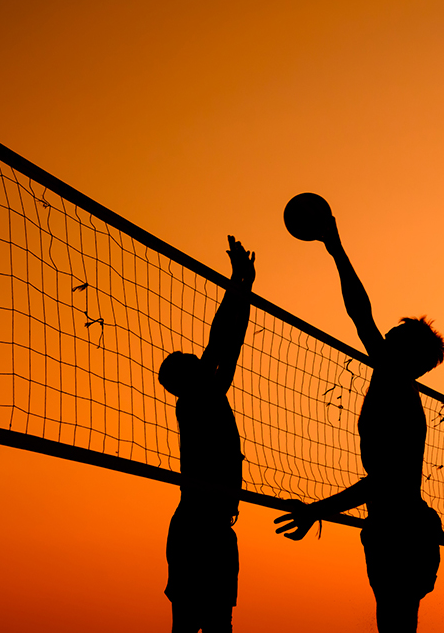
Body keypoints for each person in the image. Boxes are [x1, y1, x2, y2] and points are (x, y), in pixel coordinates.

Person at [274, 215, 444, 632]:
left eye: (392, 337)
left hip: (400, 531)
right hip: (399, 527)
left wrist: (318, 510)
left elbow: (382, 481)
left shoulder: (397, 393)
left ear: (405, 354)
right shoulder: (394, 382)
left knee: (395, 622)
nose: (381, 337)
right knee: (396, 621)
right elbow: (361, 316)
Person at [158, 235, 255, 633]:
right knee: (188, 624)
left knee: (219, 624)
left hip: (215, 527)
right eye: (190, 359)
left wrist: (245, 287)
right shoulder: (197, 401)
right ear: (186, 378)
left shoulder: (210, 394)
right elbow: (220, 341)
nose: (198, 356)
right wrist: (237, 281)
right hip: (197, 527)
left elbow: (232, 343)